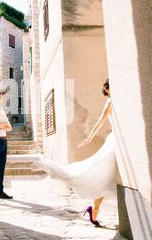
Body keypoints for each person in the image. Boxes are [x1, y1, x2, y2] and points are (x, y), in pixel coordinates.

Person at [36, 79, 116, 227]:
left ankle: (94, 210)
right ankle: (94, 209)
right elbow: (100, 121)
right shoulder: (111, 102)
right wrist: (89, 137)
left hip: (120, 142)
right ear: (108, 90)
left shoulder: (120, 99)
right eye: (110, 89)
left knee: (108, 180)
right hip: (115, 142)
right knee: (105, 177)